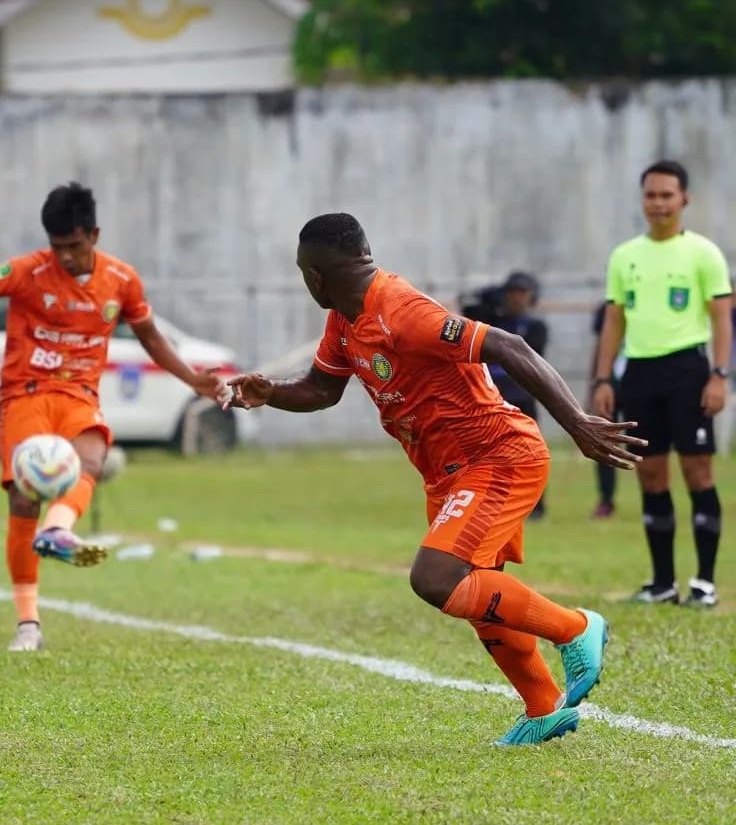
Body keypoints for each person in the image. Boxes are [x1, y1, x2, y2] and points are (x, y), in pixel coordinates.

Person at [226, 213, 640, 746]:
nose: (306, 281)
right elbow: (323, 390)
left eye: (306, 270)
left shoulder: (403, 312)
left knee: (436, 579)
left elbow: (510, 346)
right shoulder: (345, 320)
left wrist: (578, 424)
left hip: (498, 456)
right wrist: (271, 392)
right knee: (480, 599)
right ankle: (542, 707)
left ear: (321, 273)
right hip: (447, 475)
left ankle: (577, 628)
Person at [0, 183, 222, 653]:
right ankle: (27, 623)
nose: (66, 258)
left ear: (93, 235)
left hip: (78, 394)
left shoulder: (122, 280)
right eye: (58, 248)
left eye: (74, 247)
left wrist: (192, 379)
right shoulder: (27, 271)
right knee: (21, 500)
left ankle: (58, 531)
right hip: (25, 394)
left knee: (93, 455)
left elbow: (152, 338)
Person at [593, 160, 732, 607]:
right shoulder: (624, 255)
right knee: (650, 474)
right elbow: (614, 320)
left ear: (683, 199)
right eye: (651, 195)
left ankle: (705, 583)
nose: (658, 203)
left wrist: (719, 374)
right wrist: (602, 377)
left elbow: (722, 318)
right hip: (639, 374)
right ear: (643, 200)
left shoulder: (704, 253)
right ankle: (662, 583)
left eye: (666, 195)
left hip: (689, 372)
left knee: (697, 472)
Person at [482, 272, 550, 518]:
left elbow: (531, 356)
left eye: (523, 293)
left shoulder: (535, 326)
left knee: (530, 452)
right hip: (492, 396)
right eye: (512, 293)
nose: (517, 298)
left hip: (522, 395)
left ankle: (536, 505)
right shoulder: (491, 322)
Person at [590, 300, 626, 520]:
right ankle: (606, 499)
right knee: (605, 442)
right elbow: (600, 344)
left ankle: (653, 497)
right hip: (611, 382)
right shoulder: (606, 308)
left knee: (647, 443)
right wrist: (597, 381)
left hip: (641, 377)